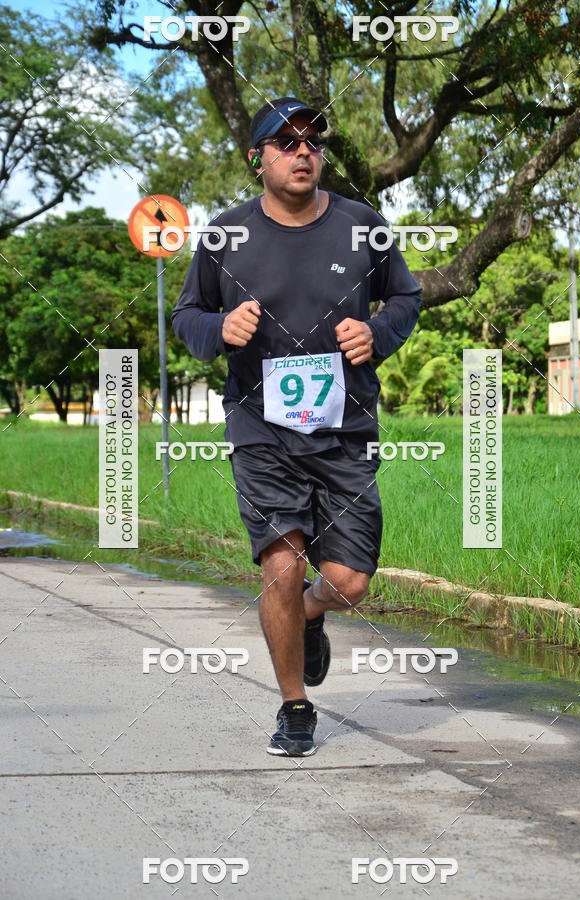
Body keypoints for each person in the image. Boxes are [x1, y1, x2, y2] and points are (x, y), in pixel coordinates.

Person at [171, 96, 422, 757]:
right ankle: (295, 706)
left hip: (345, 427)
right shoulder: (225, 236)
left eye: (313, 140)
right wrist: (218, 329)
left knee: (350, 582)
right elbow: (185, 316)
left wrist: (377, 333)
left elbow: (407, 296)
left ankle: (310, 614)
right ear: (257, 160)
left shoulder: (362, 226)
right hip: (261, 428)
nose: (303, 150)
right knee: (282, 566)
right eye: (285, 141)